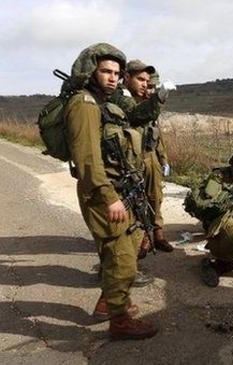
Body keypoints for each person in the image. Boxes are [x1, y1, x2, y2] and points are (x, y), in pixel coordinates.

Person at [64, 43, 157, 340]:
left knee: (126, 249)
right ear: (90, 71)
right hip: (104, 195)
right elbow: (88, 160)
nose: (113, 77)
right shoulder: (84, 104)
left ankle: (118, 303)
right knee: (121, 258)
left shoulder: (103, 103)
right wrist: (110, 198)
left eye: (117, 72)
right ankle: (119, 322)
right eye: (106, 71)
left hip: (118, 190)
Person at [110, 59, 174, 255]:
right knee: (137, 198)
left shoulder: (144, 101)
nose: (145, 85)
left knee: (156, 196)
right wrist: (155, 100)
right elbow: (135, 115)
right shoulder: (120, 98)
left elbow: (156, 133)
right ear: (127, 77)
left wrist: (163, 160)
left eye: (148, 82)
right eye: (141, 80)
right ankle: (143, 238)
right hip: (132, 159)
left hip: (150, 155)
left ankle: (158, 233)